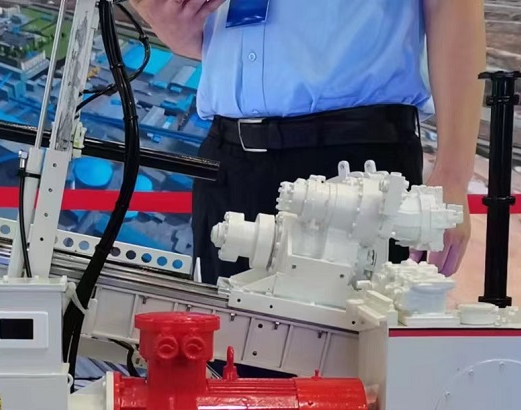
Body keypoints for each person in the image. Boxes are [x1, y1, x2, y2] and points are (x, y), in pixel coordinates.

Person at [131, 0, 485, 284]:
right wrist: (166, 22)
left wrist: (452, 177)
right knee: (221, 347)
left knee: (349, 348)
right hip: (226, 161)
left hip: (355, 169)